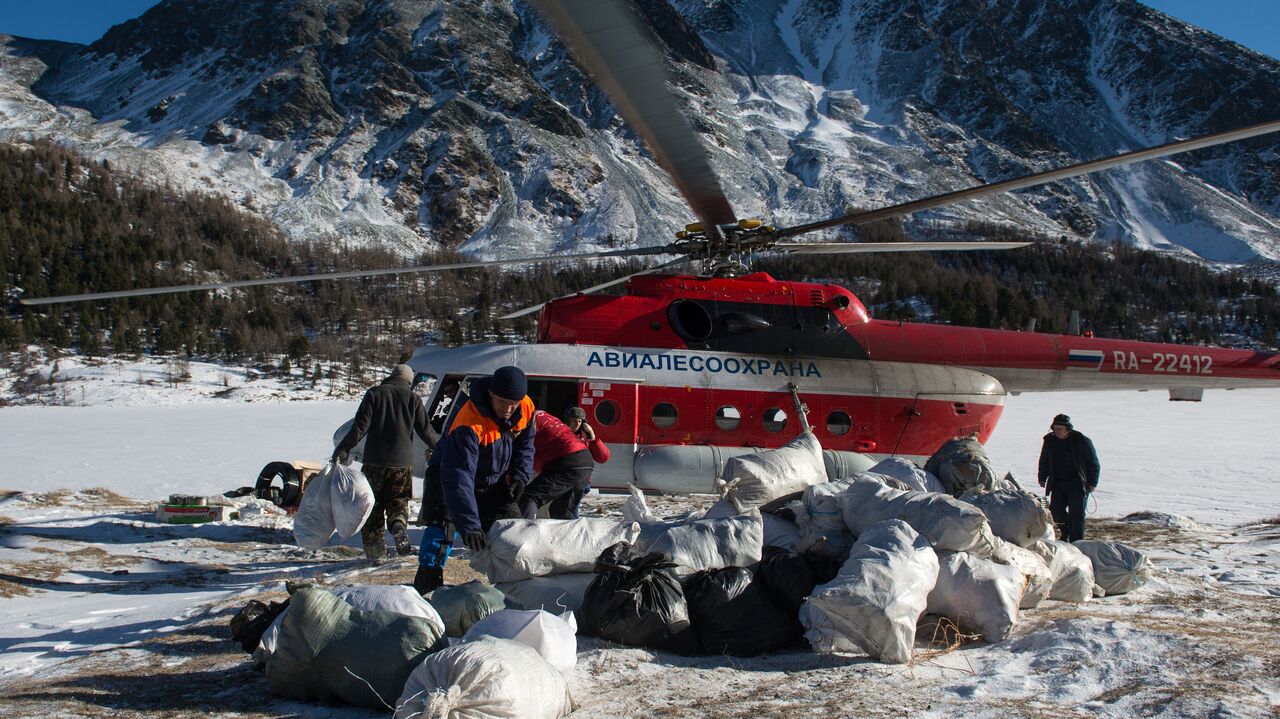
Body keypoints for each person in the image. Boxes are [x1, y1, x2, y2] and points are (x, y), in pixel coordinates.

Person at [413, 366, 536, 594]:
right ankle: (427, 585)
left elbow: (526, 445)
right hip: (447, 475)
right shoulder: (468, 423)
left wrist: (520, 474)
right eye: (502, 402)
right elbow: (459, 478)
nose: (508, 409)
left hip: (492, 479)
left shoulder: (525, 406)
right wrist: (469, 525)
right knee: (442, 533)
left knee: (513, 529)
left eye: (514, 403)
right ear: (490, 393)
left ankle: (516, 590)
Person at [333, 364, 431, 564]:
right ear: (409, 382)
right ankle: (398, 524)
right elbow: (426, 431)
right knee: (398, 500)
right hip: (403, 464)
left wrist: (343, 449)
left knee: (372, 506)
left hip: (374, 462)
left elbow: (359, 427)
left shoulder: (374, 394)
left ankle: (376, 553)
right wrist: (447, 448)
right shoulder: (413, 399)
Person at [520, 408, 607, 520]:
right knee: (561, 510)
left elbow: (603, 457)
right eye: (574, 420)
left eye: (580, 421)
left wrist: (593, 438)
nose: (577, 424)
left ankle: (525, 531)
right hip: (566, 472)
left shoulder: (584, 437)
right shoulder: (559, 433)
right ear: (567, 420)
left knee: (532, 497)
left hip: (574, 475)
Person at [1037, 413, 1100, 543]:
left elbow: (1093, 463)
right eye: (1055, 428)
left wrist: (1092, 482)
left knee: (1077, 514)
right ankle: (1066, 530)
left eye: (1060, 429)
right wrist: (1042, 476)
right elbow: (1044, 459)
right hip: (1058, 482)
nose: (1057, 431)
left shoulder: (1082, 441)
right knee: (1056, 510)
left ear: (1068, 428)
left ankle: (1077, 541)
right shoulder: (1049, 441)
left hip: (1077, 483)